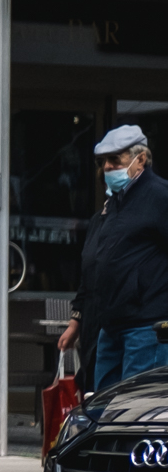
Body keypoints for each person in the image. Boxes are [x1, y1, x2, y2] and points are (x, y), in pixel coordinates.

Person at [61, 124, 168, 390]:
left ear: (140, 158)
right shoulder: (114, 205)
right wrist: (78, 318)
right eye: (103, 161)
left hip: (146, 326)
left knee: (136, 411)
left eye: (115, 159)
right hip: (109, 325)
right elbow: (95, 263)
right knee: (104, 405)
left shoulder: (160, 196)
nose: (107, 167)